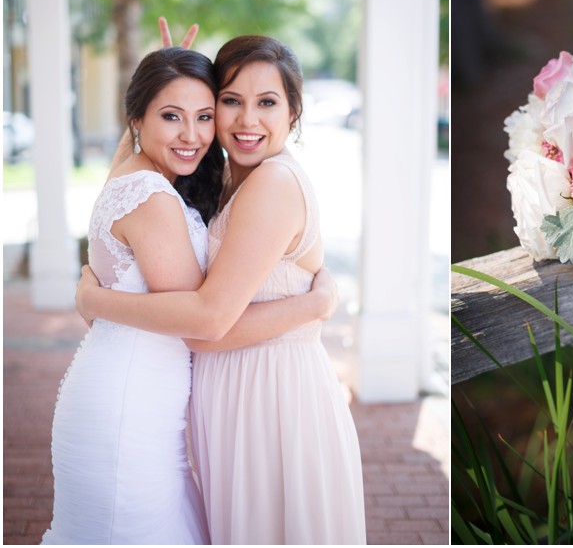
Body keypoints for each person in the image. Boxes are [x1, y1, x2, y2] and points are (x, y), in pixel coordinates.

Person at [76, 36, 366, 544]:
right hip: (236, 395)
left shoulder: (273, 183)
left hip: (272, 401)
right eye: (230, 102)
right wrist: (167, 80)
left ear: (294, 112)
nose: (247, 120)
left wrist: (96, 301)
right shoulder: (231, 173)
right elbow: (135, 178)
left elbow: (207, 328)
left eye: (267, 103)